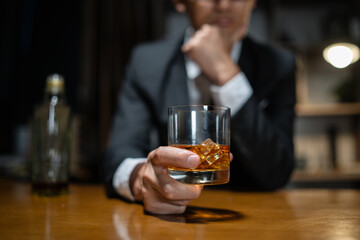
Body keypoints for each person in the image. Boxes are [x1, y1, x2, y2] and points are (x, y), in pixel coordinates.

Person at [104, 0, 296, 214]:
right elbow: (119, 156)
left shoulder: (279, 65)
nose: (223, 5)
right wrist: (144, 181)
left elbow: (278, 171)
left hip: (254, 221)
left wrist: (226, 73)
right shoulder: (147, 62)